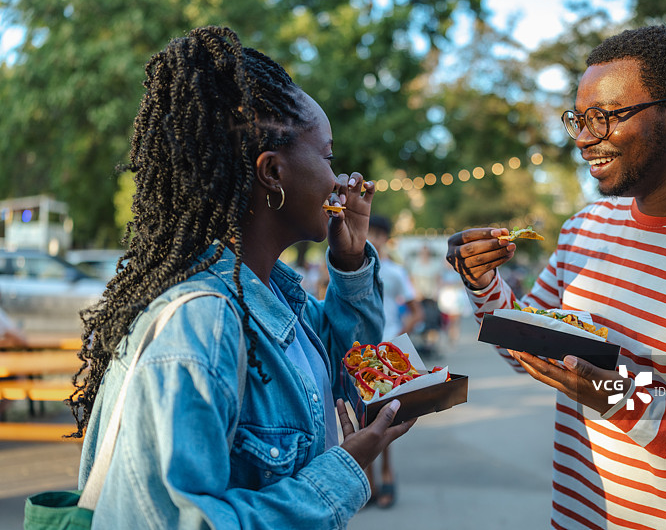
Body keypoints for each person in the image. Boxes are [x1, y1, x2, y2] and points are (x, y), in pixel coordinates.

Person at [446, 25, 666, 529]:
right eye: (579, 119)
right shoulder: (585, 229)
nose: (586, 140)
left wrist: (626, 402)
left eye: (605, 118)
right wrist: (482, 284)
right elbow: (529, 353)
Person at [69, 26, 414, 529]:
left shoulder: (275, 292)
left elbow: (350, 368)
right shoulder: (204, 323)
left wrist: (351, 261)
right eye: (328, 156)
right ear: (272, 173)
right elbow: (186, 522)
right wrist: (342, 471)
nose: (341, 180)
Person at [365, 214, 424, 509]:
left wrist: (396, 342)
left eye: (378, 234)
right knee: (361, 420)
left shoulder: (395, 272)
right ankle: (369, 483)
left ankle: (387, 476)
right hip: (360, 357)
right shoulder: (353, 269)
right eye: (369, 233)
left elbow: (417, 312)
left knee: (387, 418)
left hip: (387, 356)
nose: (373, 239)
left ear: (386, 238)